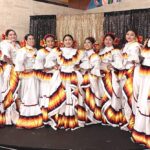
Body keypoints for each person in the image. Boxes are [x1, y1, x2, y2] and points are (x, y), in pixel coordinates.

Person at [45, 34, 86, 130]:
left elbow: (86, 61)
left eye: (69, 40)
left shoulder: (78, 52)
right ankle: (61, 119)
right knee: (60, 96)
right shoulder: (57, 50)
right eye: (66, 40)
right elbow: (48, 59)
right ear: (63, 42)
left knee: (73, 97)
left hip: (73, 76)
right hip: (61, 76)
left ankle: (73, 118)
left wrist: (79, 66)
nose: (68, 41)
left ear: (73, 41)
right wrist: (54, 65)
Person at [14, 34, 43, 129]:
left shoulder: (36, 50)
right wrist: (24, 69)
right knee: (29, 95)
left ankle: (35, 119)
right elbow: (18, 63)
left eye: (33, 38)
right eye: (29, 39)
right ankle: (27, 120)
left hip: (36, 75)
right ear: (25, 40)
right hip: (27, 76)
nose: (32, 40)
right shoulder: (22, 51)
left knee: (35, 94)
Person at [99, 33, 126, 126]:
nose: (107, 41)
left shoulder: (115, 51)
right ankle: (105, 117)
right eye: (106, 39)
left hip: (111, 76)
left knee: (112, 95)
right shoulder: (100, 51)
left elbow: (120, 64)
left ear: (113, 41)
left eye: (110, 39)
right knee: (104, 95)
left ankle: (113, 118)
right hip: (101, 77)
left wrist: (111, 64)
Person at [131, 38, 150, 148]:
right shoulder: (145, 46)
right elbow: (140, 64)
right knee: (144, 105)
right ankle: (143, 134)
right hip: (146, 82)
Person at [121, 29, 141, 131]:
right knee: (127, 96)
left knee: (131, 97)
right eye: (127, 34)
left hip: (132, 72)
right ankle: (128, 120)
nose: (129, 36)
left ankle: (133, 122)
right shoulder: (126, 45)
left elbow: (136, 58)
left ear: (135, 36)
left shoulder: (136, 45)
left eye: (132, 35)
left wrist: (127, 59)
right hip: (126, 72)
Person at [34, 34, 56, 125]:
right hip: (46, 76)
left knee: (53, 94)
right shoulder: (41, 51)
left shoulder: (57, 50)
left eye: (52, 41)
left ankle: (54, 114)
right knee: (46, 93)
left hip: (55, 75)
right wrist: (46, 68)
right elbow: (38, 65)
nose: (50, 43)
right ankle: (45, 116)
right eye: (48, 41)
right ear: (45, 42)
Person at [0, 29, 20, 125]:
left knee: (15, 91)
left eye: (14, 34)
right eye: (10, 34)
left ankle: (14, 114)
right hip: (10, 69)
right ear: (7, 36)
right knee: (10, 90)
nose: (13, 36)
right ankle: (9, 116)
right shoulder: (5, 44)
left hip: (16, 69)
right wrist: (13, 65)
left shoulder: (17, 45)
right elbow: (5, 57)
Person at [80, 37, 101, 124]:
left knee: (91, 96)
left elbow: (95, 68)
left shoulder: (95, 55)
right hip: (81, 78)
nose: (86, 44)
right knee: (82, 97)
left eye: (89, 43)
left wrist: (86, 68)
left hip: (91, 79)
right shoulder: (81, 54)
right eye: (85, 43)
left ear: (93, 45)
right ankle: (84, 115)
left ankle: (92, 116)